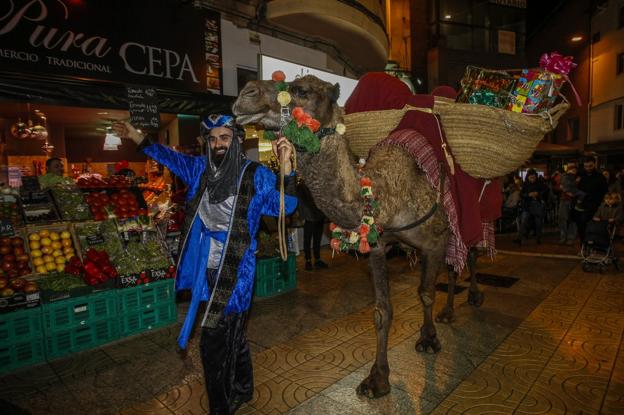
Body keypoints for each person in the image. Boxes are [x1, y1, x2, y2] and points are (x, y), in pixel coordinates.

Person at [113, 115, 297, 415]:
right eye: (212, 139)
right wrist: (134, 134)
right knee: (233, 332)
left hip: (237, 269)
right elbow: (166, 156)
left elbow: (286, 207)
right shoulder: (200, 170)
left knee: (212, 340)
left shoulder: (256, 175)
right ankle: (243, 387)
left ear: (237, 140)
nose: (217, 144)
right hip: (205, 265)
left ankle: (221, 407)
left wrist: (287, 172)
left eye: (224, 137)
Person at [296, 181, 328, 270]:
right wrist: (302, 217)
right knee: (307, 240)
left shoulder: (317, 183)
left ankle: (317, 260)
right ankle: (308, 261)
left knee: (317, 240)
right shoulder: (301, 186)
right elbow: (300, 203)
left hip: (319, 215)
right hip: (309, 217)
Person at [575, 157, 608, 241]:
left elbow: (604, 192)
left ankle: (592, 243)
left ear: (594, 164)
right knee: (581, 224)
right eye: (586, 166)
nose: (588, 168)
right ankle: (584, 244)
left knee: (591, 225)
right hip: (582, 205)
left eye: (590, 166)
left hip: (595, 205)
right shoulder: (581, 175)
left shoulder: (600, 177)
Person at [514, 169, 549, 245]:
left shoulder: (540, 183)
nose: (532, 179)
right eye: (531, 177)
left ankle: (538, 238)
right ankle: (519, 238)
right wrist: (528, 195)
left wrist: (538, 194)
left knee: (538, 222)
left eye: (534, 177)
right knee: (523, 221)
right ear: (528, 177)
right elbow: (521, 194)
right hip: (527, 205)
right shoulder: (525, 184)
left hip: (537, 205)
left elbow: (546, 191)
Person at [558, 162, 583, 245]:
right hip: (564, 200)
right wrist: (575, 183)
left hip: (574, 200)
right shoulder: (564, 176)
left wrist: (568, 190)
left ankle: (570, 238)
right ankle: (563, 237)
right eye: (571, 169)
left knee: (573, 220)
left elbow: (567, 187)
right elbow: (565, 185)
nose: (573, 170)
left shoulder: (579, 177)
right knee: (563, 219)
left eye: (574, 169)